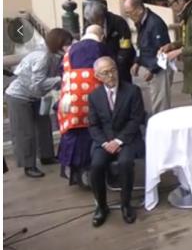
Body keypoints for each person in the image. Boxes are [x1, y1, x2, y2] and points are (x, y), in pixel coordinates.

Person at [5, 28, 73, 177]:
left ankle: (47, 156)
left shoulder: (54, 55)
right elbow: (37, 84)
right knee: (25, 132)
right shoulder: (43, 57)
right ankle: (28, 165)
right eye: (67, 43)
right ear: (58, 44)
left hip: (37, 96)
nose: (69, 46)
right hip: (19, 96)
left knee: (44, 126)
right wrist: (61, 80)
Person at [88, 56, 145, 227]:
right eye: (105, 73)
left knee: (125, 162)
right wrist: (106, 143)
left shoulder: (132, 91)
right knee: (96, 165)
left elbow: (136, 119)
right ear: (97, 76)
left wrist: (119, 141)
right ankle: (101, 206)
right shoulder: (94, 96)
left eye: (113, 70)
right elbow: (93, 125)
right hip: (104, 140)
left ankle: (126, 205)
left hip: (127, 138)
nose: (111, 75)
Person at [56, 25, 110, 186]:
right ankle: (95, 172)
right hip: (94, 97)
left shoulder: (70, 51)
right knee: (95, 130)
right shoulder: (101, 48)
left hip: (70, 99)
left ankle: (74, 172)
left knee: (73, 132)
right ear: (101, 36)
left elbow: (62, 71)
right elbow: (109, 70)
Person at [124, 0, 173, 116]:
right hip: (147, 66)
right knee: (152, 102)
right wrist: (137, 61)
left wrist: (153, 70)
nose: (128, 16)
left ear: (139, 10)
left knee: (161, 106)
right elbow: (140, 44)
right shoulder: (140, 21)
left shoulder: (155, 23)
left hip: (158, 69)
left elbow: (164, 50)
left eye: (129, 13)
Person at [84, 1, 136, 83]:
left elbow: (125, 45)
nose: (96, 24)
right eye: (92, 21)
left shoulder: (118, 22)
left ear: (103, 15)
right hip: (102, 64)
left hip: (120, 61)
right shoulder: (88, 25)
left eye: (97, 20)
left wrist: (118, 61)